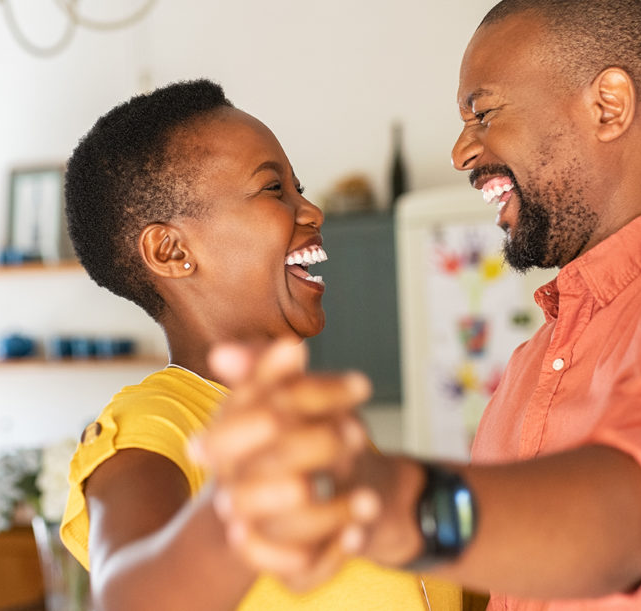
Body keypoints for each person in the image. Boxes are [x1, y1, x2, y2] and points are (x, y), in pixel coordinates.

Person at [196, 1, 641, 609]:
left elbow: (626, 522)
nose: (461, 152)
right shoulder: (530, 364)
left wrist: (384, 500)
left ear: (608, 104)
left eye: (482, 113)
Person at [58, 79, 461, 610]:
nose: (312, 211)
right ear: (172, 249)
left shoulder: (314, 430)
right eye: (274, 190)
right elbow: (129, 595)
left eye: (299, 188)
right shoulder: (153, 423)